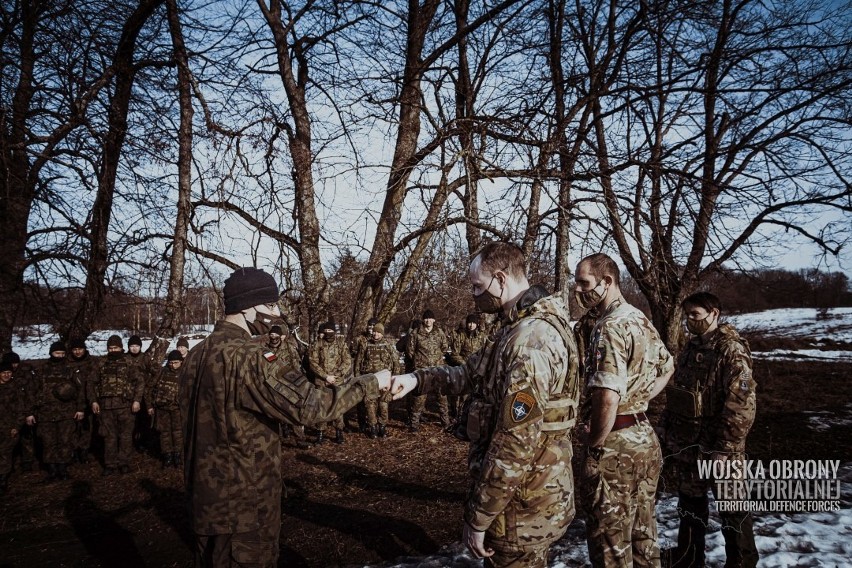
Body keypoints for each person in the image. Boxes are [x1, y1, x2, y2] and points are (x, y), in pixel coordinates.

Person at [179, 267, 390, 567]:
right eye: (271, 306)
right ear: (249, 307)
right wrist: (370, 383)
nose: (276, 314)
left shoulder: (196, 355)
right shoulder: (249, 356)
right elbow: (309, 406)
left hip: (205, 505)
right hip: (245, 509)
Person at [391, 242, 580, 567]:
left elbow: (515, 443)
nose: (473, 294)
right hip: (527, 494)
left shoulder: (530, 341)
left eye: (479, 286)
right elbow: (470, 373)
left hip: (522, 506)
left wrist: (480, 515)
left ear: (502, 279)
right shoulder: (517, 327)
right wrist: (416, 380)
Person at [574, 253, 674, 567]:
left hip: (615, 445)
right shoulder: (639, 318)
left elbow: (606, 397)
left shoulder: (609, 327)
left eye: (584, 283)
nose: (578, 290)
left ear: (607, 282)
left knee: (611, 546)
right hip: (643, 437)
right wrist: (638, 400)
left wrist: (595, 442)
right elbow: (667, 368)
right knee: (644, 538)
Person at [660, 292, 758, 568]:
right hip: (691, 447)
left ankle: (742, 563)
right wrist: (668, 435)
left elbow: (741, 404)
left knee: (733, 511)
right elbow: (679, 394)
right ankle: (690, 560)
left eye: (695, 315)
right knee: (690, 507)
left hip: (722, 448)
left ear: (714, 313)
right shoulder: (691, 349)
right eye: (687, 315)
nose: (689, 321)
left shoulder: (732, 350)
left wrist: (725, 449)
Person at [25, 342, 85, 481]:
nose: (60, 356)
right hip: (45, 413)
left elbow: (80, 391)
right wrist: (30, 412)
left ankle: (63, 469)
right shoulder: (41, 370)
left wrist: (80, 409)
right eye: (57, 353)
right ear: (51, 353)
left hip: (66, 413)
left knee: (65, 440)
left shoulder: (70, 370)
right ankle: (52, 470)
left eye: (63, 354)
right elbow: (30, 392)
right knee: (48, 442)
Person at [88, 335, 144, 476]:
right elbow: (91, 383)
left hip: (125, 406)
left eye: (116, 348)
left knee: (125, 436)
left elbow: (140, 382)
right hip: (106, 407)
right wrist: (93, 401)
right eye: (110, 348)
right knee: (109, 436)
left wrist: (137, 400)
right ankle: (110, 464)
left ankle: (124, 462)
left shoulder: (128, 362)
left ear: (121, 347)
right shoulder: (101, 363)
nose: (113, 350)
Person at [307, 321, 353, 444]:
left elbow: (347, 361)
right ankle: (320, 433)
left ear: (334, 331)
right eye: (326, 331)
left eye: (330, 331)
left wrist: (336, 375)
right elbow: (313, 362)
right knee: (321, 406)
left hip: (337, 381)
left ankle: (339, 432)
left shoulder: (341, 344)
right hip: (321, 381)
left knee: (338, 405)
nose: (328, 333)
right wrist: (325, 376)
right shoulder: (317, 344)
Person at [405, 309, 451, 430]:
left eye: (430, 318)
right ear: (423, 320)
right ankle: (414, 425)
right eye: (426, 318)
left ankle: (446, 423)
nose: (428, 320)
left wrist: (437, 358)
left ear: (434, 320)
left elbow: (445, 347)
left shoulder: (439, 332)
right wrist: (420, 361)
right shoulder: (415, 333)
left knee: (442, 397)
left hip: (437, 369)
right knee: (419, 398)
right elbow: (410, 351)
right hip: (422, 370)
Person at [353, 323, 399, 438]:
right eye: (374, 331)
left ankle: (382, 427)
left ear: (382, 333)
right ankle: (373, 427)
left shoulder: (387, 345)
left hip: (384, 380)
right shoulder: (365, 344)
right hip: (369, 380)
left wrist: (394, 379)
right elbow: (358, 362)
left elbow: (396, 363)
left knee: (383, 404)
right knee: (370, 405)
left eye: (378, 332)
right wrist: (358, 378)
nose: (376, 334)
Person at [446, 313, 488, 422]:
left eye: (474, 323)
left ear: (477, 324)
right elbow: (454, 354)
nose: (471, 325)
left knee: (472, 395)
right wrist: (464, 364)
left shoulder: (481, 336)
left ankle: (466, 416)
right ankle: (455, 415)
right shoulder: (461, 335)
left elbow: (485, 352)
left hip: (477, 370)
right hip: (462, 369)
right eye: (470, 323)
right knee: (458, 393)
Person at [147, 350, 184, 468]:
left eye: (176, 362)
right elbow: (149, 388)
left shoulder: (186, 373)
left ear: (181, 362)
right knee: (164, 433)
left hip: (178, 409)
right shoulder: (161, 372)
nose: (173, 365)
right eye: (171, 362)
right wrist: (149, 405)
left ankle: (178, 456)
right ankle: (167, 456)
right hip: (162, 409)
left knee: (178, 433)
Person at [3, 352, 36, 472]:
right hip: (8, 414)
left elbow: (31, 393)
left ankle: (27, 463)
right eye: (11, 363)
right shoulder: (4, 374)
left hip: (25, 410)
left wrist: (29, 412)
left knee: (27, 438)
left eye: (16, 363)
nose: (14, 366)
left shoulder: (25, 374)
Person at [67, 339, 95, 464]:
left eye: (80, 349)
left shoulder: (92, 363)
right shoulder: (67, 364)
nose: (78, 352)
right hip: (71, 402)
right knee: (72, 428)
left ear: (84, 349)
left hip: (88, 400)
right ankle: (73, 452)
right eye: (75, 349)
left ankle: (84, 452)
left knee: (86, 428)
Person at [0, 360, 23, 493]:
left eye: (9, 373)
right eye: (4, 373)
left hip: (8, 427)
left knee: (5, 454)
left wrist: (16, 426)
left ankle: (2, 481)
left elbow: (21, 410)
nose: (7, 375)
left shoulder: (15, 389)